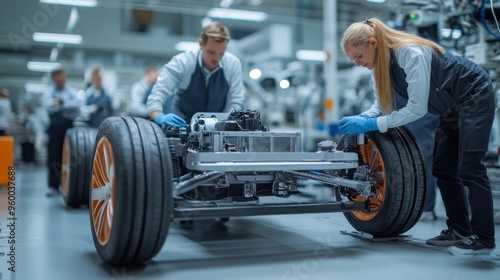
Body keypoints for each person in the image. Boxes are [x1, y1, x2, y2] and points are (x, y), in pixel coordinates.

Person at [338, 18, 496, 257]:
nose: (358, 63)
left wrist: (373, 123)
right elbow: (380, 106)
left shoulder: (410, 53)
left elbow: (416, 109)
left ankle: (484, 237)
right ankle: (459, 229)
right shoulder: (379, 67)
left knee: (470, 168)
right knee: (443, 168)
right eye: (353, 60)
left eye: (359, 56)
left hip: (473, 94)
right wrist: (361, 118)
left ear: (373, 43)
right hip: (451, 107)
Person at [147, 21, 245, 127]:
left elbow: (235, 100)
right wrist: (159, 116)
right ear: (201, 44)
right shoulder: (182, 62)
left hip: (217, 129)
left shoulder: (232, 64)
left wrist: (226, 124)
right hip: (182, 126)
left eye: (221, 53)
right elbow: (158, 94)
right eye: (211, 52)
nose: (217, 58)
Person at [43, 68, 80, 196]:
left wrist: (60, 104)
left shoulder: (72, 92)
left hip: (69, 128)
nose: (60, 81)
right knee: (53, 156)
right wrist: (65, 105)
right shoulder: (49, 92)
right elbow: (48, 107)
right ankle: (53, 185)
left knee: (68, 157)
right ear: (54, 79)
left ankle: (66, 184)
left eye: (62, 78)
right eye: (58, 79)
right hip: (54, 128)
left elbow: (76, 106)